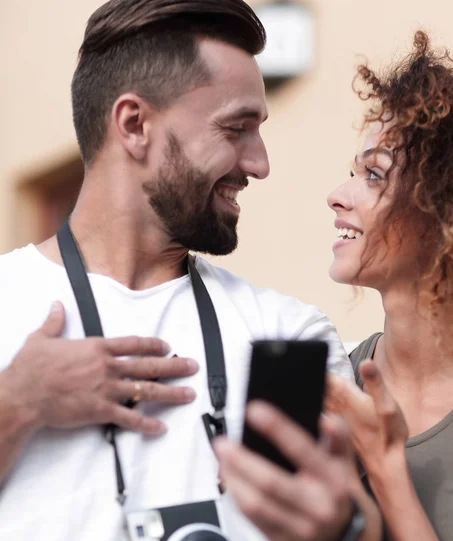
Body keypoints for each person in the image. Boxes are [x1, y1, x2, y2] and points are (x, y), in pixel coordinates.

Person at [216, 31, 453, 541]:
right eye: (352, 172)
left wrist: (386, 468)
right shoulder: (330, 382)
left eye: (374, 174)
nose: (337, 196)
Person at [0, 1, 356, 540]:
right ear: (135, 125)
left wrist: (342, 527)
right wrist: (16, 405)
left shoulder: (292, 335)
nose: (259, 164)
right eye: (237, 128)